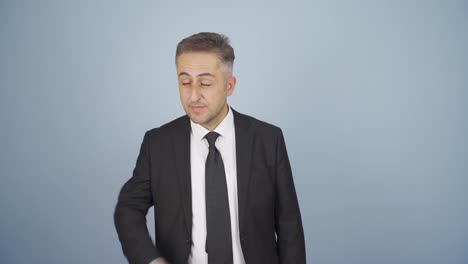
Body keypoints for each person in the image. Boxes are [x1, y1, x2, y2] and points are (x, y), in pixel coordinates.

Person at [114, 32, 305, 264]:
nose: (193, 95)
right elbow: (128, 208)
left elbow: (289, 225)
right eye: (185, 82)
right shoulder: (158, 144)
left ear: (229, 85)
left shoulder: (268, 139)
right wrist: (151, 260)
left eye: (205, 83)